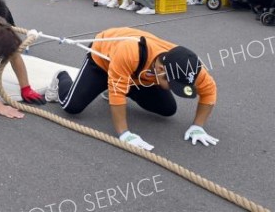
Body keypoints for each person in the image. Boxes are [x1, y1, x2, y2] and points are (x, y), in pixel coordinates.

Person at [44, 27, 218, 151]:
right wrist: (125, 134)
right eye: (174, 85)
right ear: (160, 71)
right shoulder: (130, 52)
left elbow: (209, 92)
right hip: (103, 60)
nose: (176, 89)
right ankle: (62, 77)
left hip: (136, 75)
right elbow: (117, 93)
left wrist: (198, 126)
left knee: (167, 109)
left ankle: (122, 84)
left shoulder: (191, 66)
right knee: (72, 107)